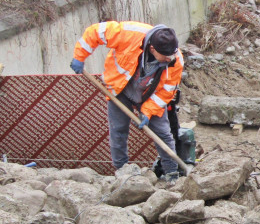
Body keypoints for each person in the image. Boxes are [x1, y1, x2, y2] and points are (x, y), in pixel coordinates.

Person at [70, 21, 184, 182]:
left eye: (172, 54)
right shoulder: (128, 34)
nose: (170, 59)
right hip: (120, 89)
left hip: (149, 95)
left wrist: (148, 111)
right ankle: (122, 171)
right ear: (152, 49)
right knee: (118, 130)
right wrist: (79, 57)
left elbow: (167, 91)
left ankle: (172, 173)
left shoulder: (175, 59)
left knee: (163, 133)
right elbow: (95, 32)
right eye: (165, 56)